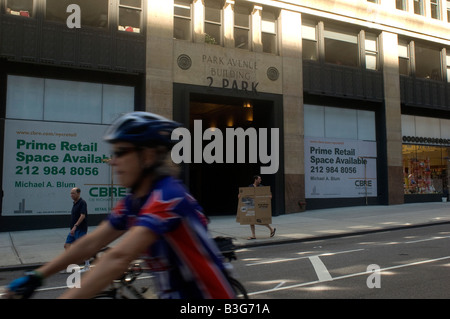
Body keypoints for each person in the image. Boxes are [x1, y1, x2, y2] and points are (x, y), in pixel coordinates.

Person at [5, 112, 235, 299]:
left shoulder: (168, 196)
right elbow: (92, 243)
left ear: (147, 156)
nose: (113, 161)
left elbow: (118, 258)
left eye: (121, 152)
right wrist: (37, 275)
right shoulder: (134, 201)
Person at [64, 187, 90, 272]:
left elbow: (82, 215)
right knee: (67, 245)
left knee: (82, 248)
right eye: (71, 193)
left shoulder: (82, 203)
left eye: (73, 193)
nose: (71, 195)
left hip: (80, 229)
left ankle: (87, 266)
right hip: (73, 230)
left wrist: (75, 226)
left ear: (78, 193)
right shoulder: (75, 203)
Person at [247, 175, 276, 240]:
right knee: (251, 221)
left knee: (259, 220)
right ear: (255, 179)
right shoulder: (250, 186)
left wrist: (270, 196)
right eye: (259, 179)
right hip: (252, 206)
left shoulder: (262, 187)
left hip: (259, 207)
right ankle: (253, 235)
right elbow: (246, 195)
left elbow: (269, 193)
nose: (261, 180)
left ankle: (271, 229)